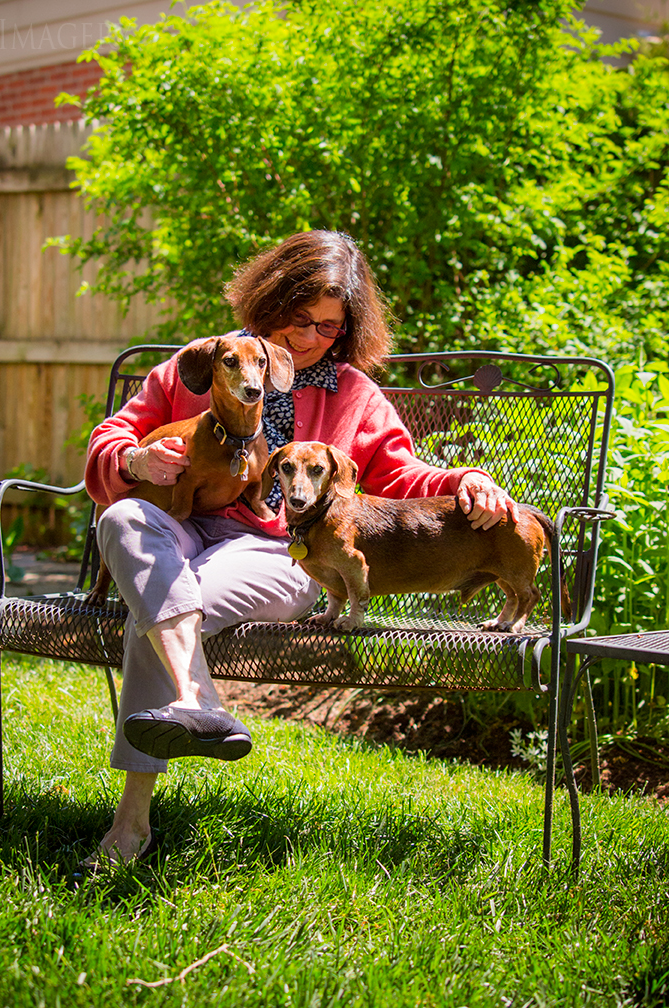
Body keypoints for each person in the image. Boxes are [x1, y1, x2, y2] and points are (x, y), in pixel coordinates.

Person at [81, 230, 519, 867]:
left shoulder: (352, 395)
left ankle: (130, 825)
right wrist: (138, 459)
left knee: (168, 604)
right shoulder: (204, 363)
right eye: (299, 318)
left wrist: (464, 482)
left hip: (279, 550)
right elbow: (111, 442)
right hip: (179, 526)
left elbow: (399, 478)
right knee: (122, 519)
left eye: (330, 328)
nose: (312, 338)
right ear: (270, 298)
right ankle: (198, 703)